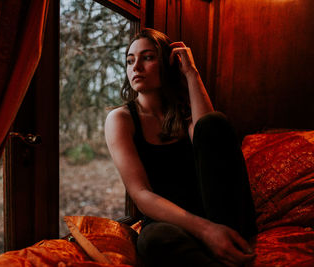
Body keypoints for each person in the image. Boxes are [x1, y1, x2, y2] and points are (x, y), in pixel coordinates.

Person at [104, 28, 257, 267]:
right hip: (173, 222)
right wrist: (206, 231)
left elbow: (210, 138)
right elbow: (141, 194)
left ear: (167, 64)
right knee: (152, 239)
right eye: (130, 60)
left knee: (214, 122)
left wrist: (191, 73)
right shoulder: (121, 119)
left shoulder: (184, 112)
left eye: (148, 57)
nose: (136, 67)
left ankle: (228, 242)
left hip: (219, 213)